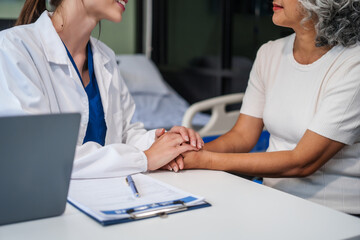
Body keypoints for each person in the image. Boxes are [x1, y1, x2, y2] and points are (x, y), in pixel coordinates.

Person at [181, 0, 360, 215]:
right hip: (274, 200)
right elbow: (242, 136)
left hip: (336, 213)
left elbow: (301, 163)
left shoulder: (353, 64)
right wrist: (184, 152)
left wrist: (204, 160)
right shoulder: (270, 53)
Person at [0, 0, 203, 178]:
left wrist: (162, 141)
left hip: (108, 200)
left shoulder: (105, 58)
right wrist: (145, 159)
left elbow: (125, 134)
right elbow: (41, 154)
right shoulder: (14, 49)